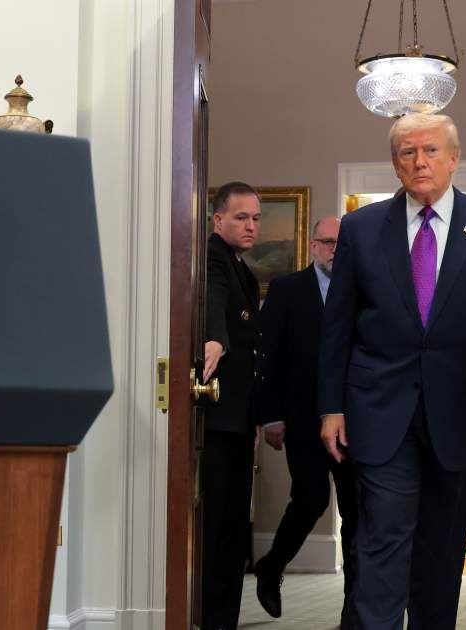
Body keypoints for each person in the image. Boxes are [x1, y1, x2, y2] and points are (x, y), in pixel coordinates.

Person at [317, 113, 466, 629]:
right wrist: (331, 406)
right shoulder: (361, 229)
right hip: (379, 410)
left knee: (441, 552)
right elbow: (337, 326)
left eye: (431, 150)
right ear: (395, 164)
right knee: (381, 540)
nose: (420, 161)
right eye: (408, 152)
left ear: (454, 159)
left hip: (460, 413)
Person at [253, 217, 358, 629]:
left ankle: (353, 612)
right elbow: (267, 357)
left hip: (353, 421)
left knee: (357, 513)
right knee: (311, 499)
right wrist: (271, 416)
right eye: (327, 242)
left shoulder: (363, 288)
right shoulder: (287, 289)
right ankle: (272, 565)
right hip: (302, 419)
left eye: (341, 243)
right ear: (313, 245)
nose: (334, 249)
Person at [200, 181, 263, 630]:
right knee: (217, 526)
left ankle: (224, 619)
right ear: (218, 219)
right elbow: (212, 297)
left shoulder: (244, 269)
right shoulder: (213, 257)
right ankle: (210, 618)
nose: (251, 226)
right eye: (241, 217)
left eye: (256, 218)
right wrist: (215, 338)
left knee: (234, 528)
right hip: (218, 419)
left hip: (240, 418)